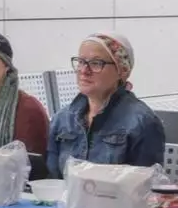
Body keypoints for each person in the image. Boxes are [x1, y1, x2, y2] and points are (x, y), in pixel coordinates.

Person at [46, 31, 165, 178]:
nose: (84, 71)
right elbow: (52, 180)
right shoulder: (62, 119)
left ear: (122, 70)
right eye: (81, 62)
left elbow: (146, 185)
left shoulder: (142, 122)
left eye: (96, 63)